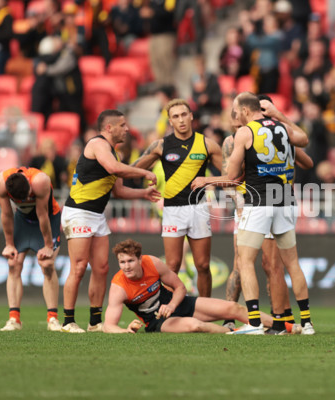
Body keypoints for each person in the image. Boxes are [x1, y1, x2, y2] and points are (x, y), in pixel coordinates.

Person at [193, 96, 313, 335]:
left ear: (246, 110)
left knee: (245, 262)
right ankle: (307, 322)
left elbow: (234, 176)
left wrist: (207, 180)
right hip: (285, 200)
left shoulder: (245, 133)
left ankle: (255, 323)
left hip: (258, 201)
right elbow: (304, 142)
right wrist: (279, 114)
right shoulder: (282, 128)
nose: (236, 116)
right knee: (292, 263)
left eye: (237, 111)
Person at [61, 110, 160, 333]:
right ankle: (68, 321)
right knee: (78, 268)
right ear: (109, 128)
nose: (127, 129)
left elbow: (119, 191)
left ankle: (95, 322)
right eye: (123, 125)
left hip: (96, 215)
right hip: (78, 211)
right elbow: (114, 169)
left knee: (102, 267)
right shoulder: (97, 144)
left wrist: (143, 195)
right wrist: (143, 173)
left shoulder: (115, 154)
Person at [133, 99, 223, 298]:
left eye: (184, 115)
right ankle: (172, 310)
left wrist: (208, 179)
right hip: (172, 210)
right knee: (172, 265)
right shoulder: (160, 146)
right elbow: (133, 169)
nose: (181, 120)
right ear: (170, 122)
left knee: (202, 264)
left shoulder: (207, 144)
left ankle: (204, 307)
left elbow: (231, 176)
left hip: (198, 209)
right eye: (175, 116)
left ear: (191, 116)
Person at [103, 239, 273, 334]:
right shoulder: (119, 287)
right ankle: (240, 332)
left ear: (140, 259)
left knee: (234, 307)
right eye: (122, 262)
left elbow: (180, 287)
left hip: (178, 303)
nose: (126, 266)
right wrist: (126, 331)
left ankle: (284, 326)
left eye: (130, 261)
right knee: (195, 325)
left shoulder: (152, 263)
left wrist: (172, 305)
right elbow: (109, 326)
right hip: (158, 321)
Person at [0, 167, 62, 332]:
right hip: (23, 220)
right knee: (13, 262)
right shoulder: (0, 183)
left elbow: (42, 215)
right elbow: (6, 214)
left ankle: (52, 319)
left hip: (47, 218)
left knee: (47, 265)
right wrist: (9, 244)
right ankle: (14, 319)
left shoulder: (40, 181)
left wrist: (48, 246)